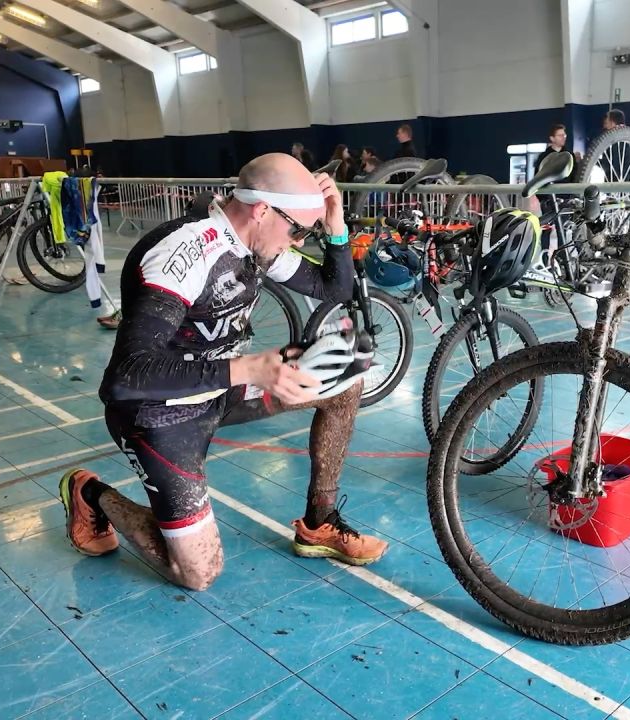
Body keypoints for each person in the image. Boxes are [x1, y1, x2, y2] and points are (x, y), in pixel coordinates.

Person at [59, 152, 388, 592]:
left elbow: (336, 289)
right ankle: (90, 494)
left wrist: (335, 228)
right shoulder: (184, 253)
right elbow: (126, 377)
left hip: (219, 388)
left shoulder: (257, 242)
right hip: (158, 413)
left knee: (344, 383)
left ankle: (319, 523)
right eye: (297, 230)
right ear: (262, 209)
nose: (296, 242)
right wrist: (249, 366)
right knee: (198, 574)